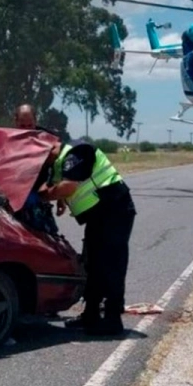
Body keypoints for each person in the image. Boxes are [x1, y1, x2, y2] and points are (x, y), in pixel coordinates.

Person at [37, 138, 137, 335]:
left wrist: (46, 195)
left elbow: (67, 187)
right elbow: (56, 185)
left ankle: (113, 319)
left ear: (49, 145)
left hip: (114, 209)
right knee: (93, 264)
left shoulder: (77, 151)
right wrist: (58, 197)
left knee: (111, 265)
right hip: (98, 215)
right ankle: (90, 315)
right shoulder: (56, 164)